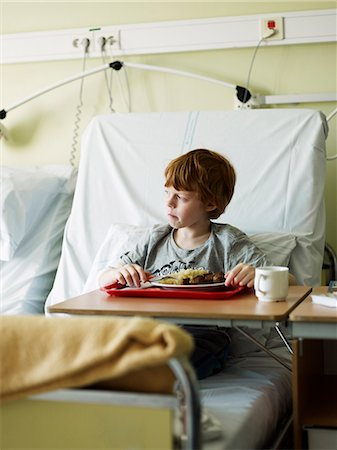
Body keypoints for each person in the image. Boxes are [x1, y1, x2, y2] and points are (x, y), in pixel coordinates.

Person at [99, 149, 295, 378]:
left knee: (187, 355)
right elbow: (103, 278)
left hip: (205, 334)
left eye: (180, 197)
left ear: (210, 203)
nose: (169, 203)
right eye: (167, 193)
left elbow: (290, 282)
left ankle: (151, 377)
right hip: (151, 329)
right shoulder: (154, 238)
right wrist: (120, 273)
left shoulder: (228, 242)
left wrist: (257, 274)